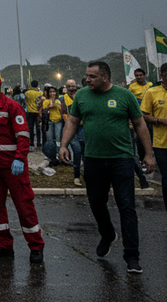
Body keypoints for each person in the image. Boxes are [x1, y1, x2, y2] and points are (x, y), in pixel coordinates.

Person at [59, 61, 154, 274]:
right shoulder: (82, 96)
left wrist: (148, 154)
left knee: (126, 207)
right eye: (87, 76)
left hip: (121, 159)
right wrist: (64, 145)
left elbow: (139, 124)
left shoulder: (124, 95)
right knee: (96, 204)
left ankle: (132, 256)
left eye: (92, 76)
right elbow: (73, 121)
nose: (88, 80)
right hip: (93, 160)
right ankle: (108, 234)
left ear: (105, 77)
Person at [0, 72, 44, 264]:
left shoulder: (12, 107)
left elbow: (23, 136)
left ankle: (36, 246)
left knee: (24, 206)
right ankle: (3, 244)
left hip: (13, 167)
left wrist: (20, 158)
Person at [139, 62, 167, 210]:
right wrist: (159, 120)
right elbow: (143, 116)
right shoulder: (152, 92)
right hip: (161, 144)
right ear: (162, 76)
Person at [63, 79, 85, 186]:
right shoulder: (63, 99)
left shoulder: (81, 96)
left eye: (73, 85)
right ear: (66, 87)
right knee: (77, 151)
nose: (71, 87)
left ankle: (87, 175)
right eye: (69, 86)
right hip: (72, 129)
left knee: (85, 152)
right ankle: (76, 176)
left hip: (82, 127)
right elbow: (63, 113)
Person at [25, 80, 43, 151]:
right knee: (38, 128)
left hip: (29, 112)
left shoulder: (27, 93)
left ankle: (31, 144)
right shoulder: (40, 93)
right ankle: (39, 143)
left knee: (30, 128)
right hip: (38, 112)